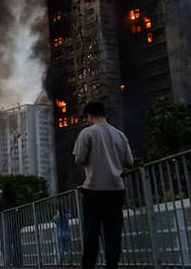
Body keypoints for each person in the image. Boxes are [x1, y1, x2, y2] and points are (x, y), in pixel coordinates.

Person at [73, 101, 134, 269]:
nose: (88, 121)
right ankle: (112, 266)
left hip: (94, 189)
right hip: (116, 189)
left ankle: (88, 266)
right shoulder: (120, 134)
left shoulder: (87, 133)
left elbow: (79, 158)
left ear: (90, 116)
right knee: (113, 234)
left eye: (87, 118)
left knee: (91, 233)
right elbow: (129, 161)